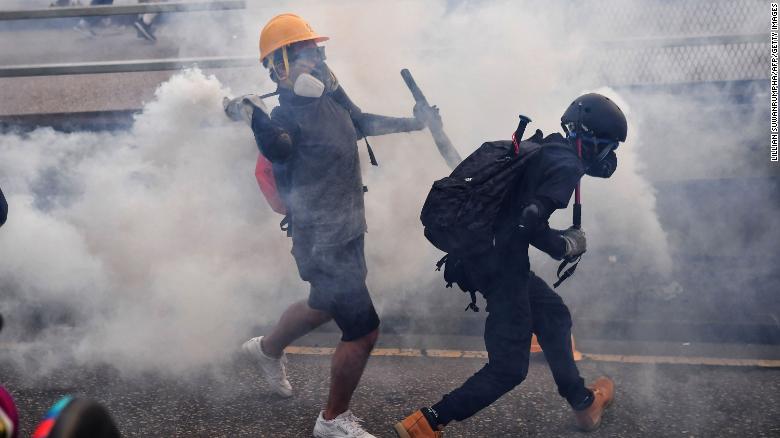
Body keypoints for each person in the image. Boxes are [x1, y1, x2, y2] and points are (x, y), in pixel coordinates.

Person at [224, 13, 432, 438]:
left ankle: (265, 350)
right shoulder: (282, 117)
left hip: (349, 227)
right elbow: (279, 150)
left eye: (316, 51)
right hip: (322, 242)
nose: (313, 60)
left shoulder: (331, 94)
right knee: (363, 330)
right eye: (301, 54)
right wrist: (254, 115)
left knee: (322, 305)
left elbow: (361, 123)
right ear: (278, 66)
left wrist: (415, 122)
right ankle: (332, 420)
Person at [394, 93, 627, 437]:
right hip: (502, 267)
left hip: (482, 256)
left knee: (552, 314)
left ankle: (582, 401)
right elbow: (529, 221)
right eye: (610, 147)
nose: (610, 158)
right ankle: (427, 422)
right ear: (594, 141)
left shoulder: (541, 148)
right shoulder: (566, 166)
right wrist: (565, 244)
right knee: (508, 369)